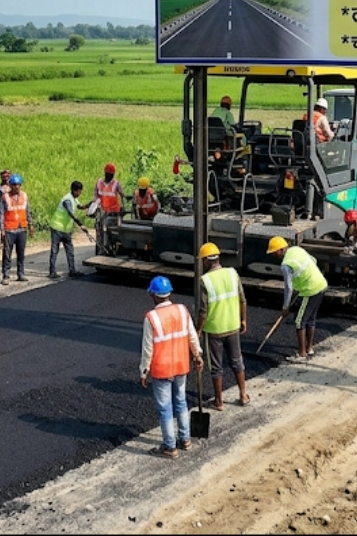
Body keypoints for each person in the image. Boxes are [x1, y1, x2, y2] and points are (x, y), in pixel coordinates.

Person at [139, 276, 204, 459]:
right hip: (181, 365)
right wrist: (197, 355)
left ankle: (170, 446)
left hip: (162, 369)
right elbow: (192, 336)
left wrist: (144, 371)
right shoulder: (182, 310)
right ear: (169, 293)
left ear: (153, 295)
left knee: (165, 408)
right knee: (181, 402)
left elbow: (147, 348)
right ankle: (185, 439)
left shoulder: (151, 318)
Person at [195, 243, 250, 410]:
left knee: (216, 367)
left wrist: (198, 329)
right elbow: (242, 300)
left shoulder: (205, 280)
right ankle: (243, 395)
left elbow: (203, 310)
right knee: (237, 361)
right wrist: (243, 320)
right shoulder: (232, 273)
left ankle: (219, 402)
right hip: (233, 324)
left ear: (205, 260)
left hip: (214, 329)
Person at [267, 236, 327, 362]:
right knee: (310, 319)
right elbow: (313, 260)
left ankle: (302, 354)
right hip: (321, 285)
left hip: (310, 290)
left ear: (281, 249)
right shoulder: (296, 249)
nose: (273, 256)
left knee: (299, 321)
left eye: (274, 252)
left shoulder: (285, 265)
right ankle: (309, 348)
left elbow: (288, 288)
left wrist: (285, 307)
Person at [49, 181, 90, 280]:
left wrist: (90, 204)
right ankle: (52, 272)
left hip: (66, 230)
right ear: (75, 190)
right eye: (79, 191)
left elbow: (80, 206)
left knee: (70, 251)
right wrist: (81, 225)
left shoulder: (74, 199)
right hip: (57, 228)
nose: (80, 193)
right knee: (54, 250)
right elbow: (71, 214)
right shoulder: (67, 200)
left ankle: (72, 270)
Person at [0, 173, 31, 283]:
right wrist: (2, 230)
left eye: (18, 185)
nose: (16, 187)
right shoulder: (5, 197)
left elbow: (28, 211)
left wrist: (30, 225)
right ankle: (6, 275)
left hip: (22, 228)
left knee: (21, 253)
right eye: (14, 185)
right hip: (9, 229)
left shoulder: (24, 196)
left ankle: (21, 273)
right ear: (10, 186)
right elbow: (1, 214)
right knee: (7, 254)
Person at [94, 163, 125, 247]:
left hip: (113, 213)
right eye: (108, 174)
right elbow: (95, 196)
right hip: (102, 212)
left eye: (111, 175)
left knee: (114, 232)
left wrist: (123, 205)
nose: (110, 176)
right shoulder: (99, 182)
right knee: (99, 230)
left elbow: (123, 195)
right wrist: (96, 205)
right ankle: (100, 247)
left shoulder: (116, 184)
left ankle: (114, 245)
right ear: (105, 173)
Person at [0, 169, 12, 265]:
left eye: (7, 176)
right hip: (2, 215)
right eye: (4, 176)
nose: (5, 178)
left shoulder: (13, 186)